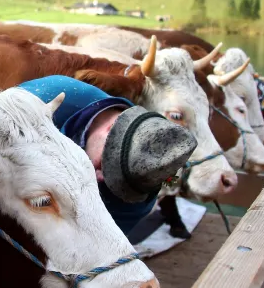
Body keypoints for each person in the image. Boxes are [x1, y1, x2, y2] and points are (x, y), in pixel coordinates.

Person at [18, 75, 198, 233]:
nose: (99, 177)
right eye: (104, 165)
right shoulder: (46, 97)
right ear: (111, 129)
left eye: (119, 185)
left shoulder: (135, 202)